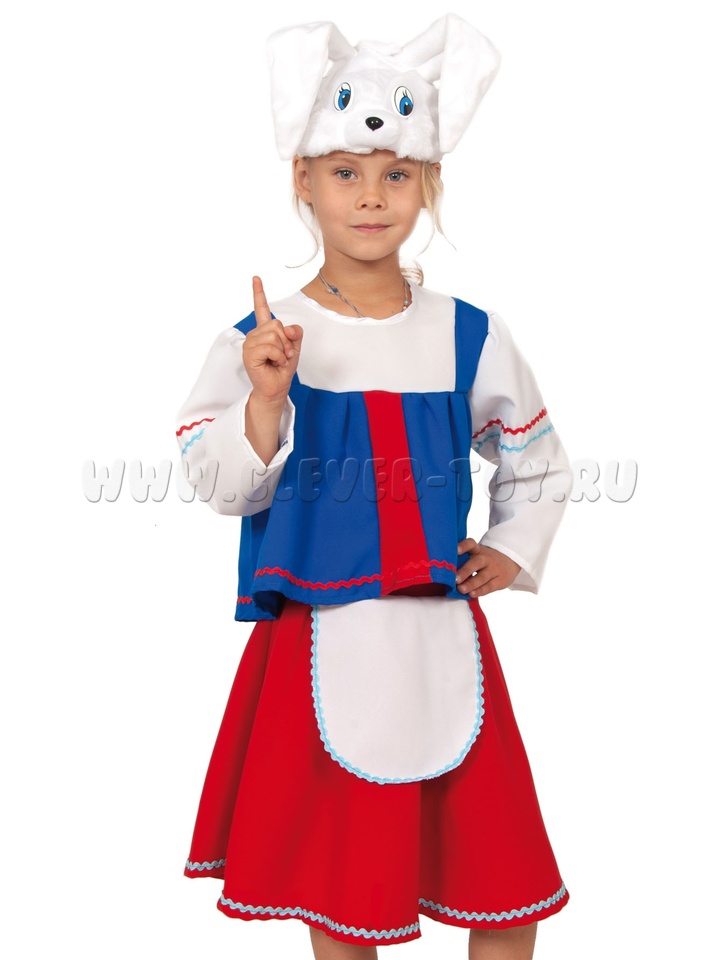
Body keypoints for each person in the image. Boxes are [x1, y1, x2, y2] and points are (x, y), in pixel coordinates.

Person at [176, 15, 572, 960]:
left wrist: (510, 548)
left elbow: (537, 454)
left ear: (426, 185)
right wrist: (266, 400)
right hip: (317, 638)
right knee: (341, 889)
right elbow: (219, 485)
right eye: (346, 172)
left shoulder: (466, 331)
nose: (369, 196)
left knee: (501, 888)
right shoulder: (263, 339)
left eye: (396, 176)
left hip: (439, 633)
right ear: (304, 180)